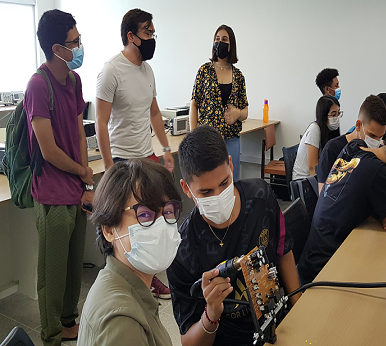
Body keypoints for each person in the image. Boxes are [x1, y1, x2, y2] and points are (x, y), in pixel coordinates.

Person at [167, 126, 301, 346]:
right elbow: (189, 342)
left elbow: (283, 249)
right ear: (187, 189)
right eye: (206, 192)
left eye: (224, 183)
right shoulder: (181, 250)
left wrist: (299, 307)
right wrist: (211, 314)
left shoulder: (261, 196)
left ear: (231, 165)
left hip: (281, 324)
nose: (219, 197)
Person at [26, 10, 93, 345]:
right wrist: (82, 171)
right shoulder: (38, 85)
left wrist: (85, 182)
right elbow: (49, 150)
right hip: (51, 192)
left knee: (72, 267)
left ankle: (68, 322)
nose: (80, 46)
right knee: (52, 274)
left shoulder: (75, 80)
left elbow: (79, 133)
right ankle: (51, 334)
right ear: (56, 48)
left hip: (75, 188)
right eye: (74, 42)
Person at [96, 8, 173, 298]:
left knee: (151, 223)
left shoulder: (147, 70)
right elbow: (101, 122)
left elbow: (154, 112)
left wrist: (164, 149)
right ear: (131, 36)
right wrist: (108, 169)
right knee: (127, 229)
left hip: (146, 156)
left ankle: (149, 277)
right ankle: (120, 283)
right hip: (121, 161)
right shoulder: (111, 70)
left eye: (153, 32)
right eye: (147, 32)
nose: (152, 37)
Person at [78, 159, 182, 345]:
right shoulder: (122, 323)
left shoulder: (129, 288)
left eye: (167, 212)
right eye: (144, 214)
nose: (161, 226)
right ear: (109, 230)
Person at [298, 136, 386, 285]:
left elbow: (358, 191)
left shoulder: (354, 146)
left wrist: (385, 211)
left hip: (310, 257)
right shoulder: (377, 171)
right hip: (325, 268)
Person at [189, 24, 248, 181]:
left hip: (231, 139)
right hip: (207, 140)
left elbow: (245, 111)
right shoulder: (204, 71)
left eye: (224, 39)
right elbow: (194, 104)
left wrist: (238, 113)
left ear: (231, 45)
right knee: (209, 183)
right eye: (217, 39)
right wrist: (194, 137)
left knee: (232, 183)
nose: (219, 42)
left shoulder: (238, 75)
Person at [317, 95, 386, 194]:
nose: (376, 141)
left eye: (380, 137)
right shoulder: (333, 148)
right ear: (358, 125)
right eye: (372, 135)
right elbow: (323, 194)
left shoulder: (379, 151)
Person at [293, 95, 341, 180]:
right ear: (323, 116)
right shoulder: (314, 130)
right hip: (303, 181)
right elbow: (313, 169)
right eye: (333, 115)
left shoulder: (329, 130)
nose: (337, 118)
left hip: (318, 177)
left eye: (338, 113)